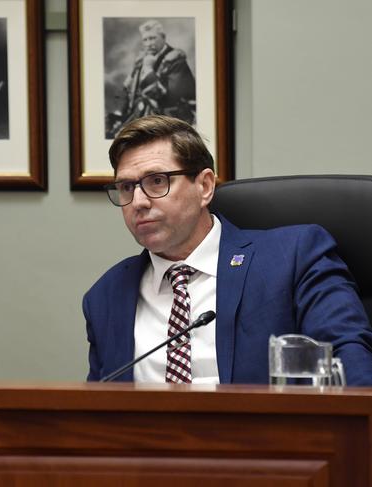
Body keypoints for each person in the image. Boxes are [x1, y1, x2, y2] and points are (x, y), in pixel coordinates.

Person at [85, 115, 372, 385]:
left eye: (157, 181)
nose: (138, 202)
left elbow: (351, 370)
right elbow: (99, 414)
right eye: (126, 187)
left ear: (205, 187)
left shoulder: (294, 257)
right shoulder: (107, 295)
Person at [107, 20, 195, 138]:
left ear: (163, 38)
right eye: (145, 39)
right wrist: (122, 113)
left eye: (152, 38)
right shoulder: (141, 59)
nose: (148, 43)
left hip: (168, 121)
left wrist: (148, 70)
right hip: (139, 117)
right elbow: (130, 91)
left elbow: (168, 99)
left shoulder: (176, 60)